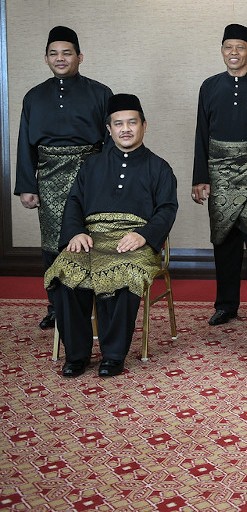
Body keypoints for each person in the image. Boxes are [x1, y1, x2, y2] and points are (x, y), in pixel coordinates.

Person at [44, 94, 178, 378]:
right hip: (91, 237)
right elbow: (74, 203)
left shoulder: (160, 167)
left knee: (125, 272)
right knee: (65, 271)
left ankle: (113, 356)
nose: (125, 128)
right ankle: (77, 355)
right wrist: (76, 231)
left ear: (144, 125)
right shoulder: (91, 165)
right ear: (109, 129)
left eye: (132, 122)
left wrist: (144, 235)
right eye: (118, 124)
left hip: (133, 239)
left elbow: (167, 209)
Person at [14, 26, 112, 331]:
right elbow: (24, 145)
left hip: (90, 176)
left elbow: (110, 142)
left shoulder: (100, 93)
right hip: (49, 179)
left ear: (80, 57)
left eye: (67, 52)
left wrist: (108, 181)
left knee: (92, 240)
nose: (60, 58)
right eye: (54, 53)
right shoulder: (33, 96)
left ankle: (95, 301)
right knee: (53, 245)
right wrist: (27, 186)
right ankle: (56, 306)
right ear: (45, 58)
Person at [192, 24, 247, 326]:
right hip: (219, 175)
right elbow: (201, 134)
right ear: (222, 51)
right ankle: (226, 304)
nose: (234, 52)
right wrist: (200, 177)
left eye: (240, 47)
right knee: (225, 241)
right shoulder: (209, 87)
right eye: (228, 46)